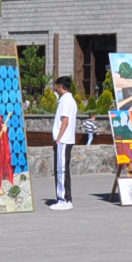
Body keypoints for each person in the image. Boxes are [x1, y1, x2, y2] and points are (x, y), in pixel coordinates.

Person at [49, 76, 77, 210]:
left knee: (61, 170)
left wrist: (59, 138)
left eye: (56, 86)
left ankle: (64, 199)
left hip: (64, 140)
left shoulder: (66, 100)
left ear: (60, 86)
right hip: (66, 139)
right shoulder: (69, 99)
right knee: (63, 169)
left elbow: (65, 120)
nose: (55, 89)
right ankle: (65, 198)